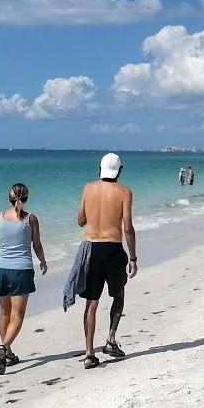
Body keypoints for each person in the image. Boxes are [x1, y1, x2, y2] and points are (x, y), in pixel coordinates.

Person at [0, 182, 48, 375]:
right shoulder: (31, 219)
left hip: (0, 271)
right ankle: (4, 347)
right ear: (26, 199)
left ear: (9, 198)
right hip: (20, 271)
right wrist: (43, 261)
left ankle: (8, 353)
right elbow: (36, 245)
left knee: (4, 313)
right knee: (18, 316)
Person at [75, 153, 136, 369]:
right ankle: (111, 339)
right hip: (113, 249)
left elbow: (80, 220)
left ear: (98, 169)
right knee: (118, 294)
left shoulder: (87, 188)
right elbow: (127, 227)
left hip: (91, 248)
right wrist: (133, 257)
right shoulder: (125, 192)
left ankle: (89, 353)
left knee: (91, 303)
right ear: (120, 170)